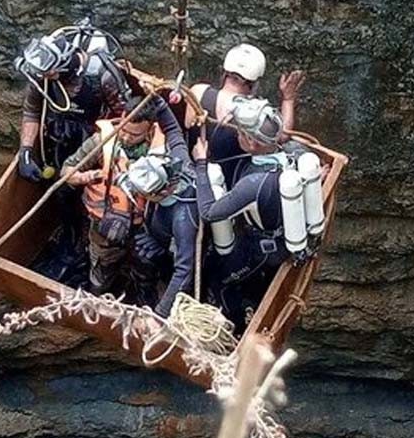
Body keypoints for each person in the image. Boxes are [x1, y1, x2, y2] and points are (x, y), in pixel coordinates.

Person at [62, 97, 185, 302]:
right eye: (124, 130)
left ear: (149, 130)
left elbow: (177, 191)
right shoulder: (102, 141)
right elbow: (67, 171)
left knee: (146, 267)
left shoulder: (163, 153)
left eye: (135, 134)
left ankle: (143, 294)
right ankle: (96, 298)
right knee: (100, 272)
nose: (126, 137)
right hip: (105, 226)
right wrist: (87, 176)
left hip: (144, 229)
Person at [192, 96, 292, 333]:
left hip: (263, 251)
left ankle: (236, 330)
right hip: (278, 236)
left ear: (252, 142)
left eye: (240, 133)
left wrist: (201, 165)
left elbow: (209, 212)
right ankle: (251, 301)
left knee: (220, 281)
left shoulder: (252, 184)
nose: (236, 135)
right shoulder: (291, 154)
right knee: (245, 278)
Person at [15, 22, 128, 182]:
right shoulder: (42, 76)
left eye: (50, 74)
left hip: (91, 146)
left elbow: (124, 117)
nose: (46, 77)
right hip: (57, 140)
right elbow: (32, 112)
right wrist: (25, 152)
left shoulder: (103, 77)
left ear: (63, 66)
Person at [186, 43, 305, 182]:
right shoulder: (253, 115)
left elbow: (187, 124)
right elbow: (281, 136)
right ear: (254, 84)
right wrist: (288, 99)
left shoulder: (197, 91)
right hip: (229, 182)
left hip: (192, 171)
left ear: (224, 73)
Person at [120, 152, 199, 317]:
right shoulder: (161, 183)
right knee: (139, 253)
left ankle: (159, 303)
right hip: (161, 240)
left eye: (142, 193)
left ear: (162, 193)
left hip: (178, 254)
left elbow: (185, 270)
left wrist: (161, 312)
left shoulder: (183, 218)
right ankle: (145, 297)